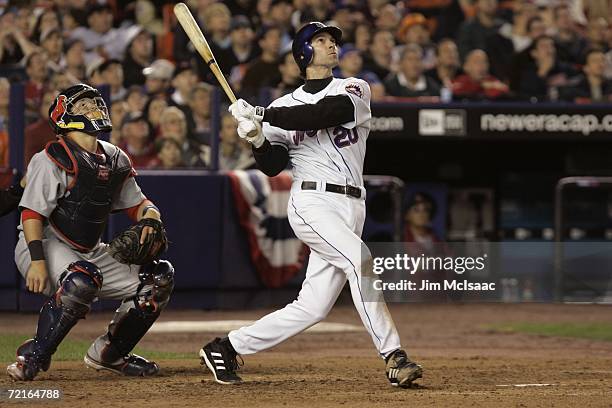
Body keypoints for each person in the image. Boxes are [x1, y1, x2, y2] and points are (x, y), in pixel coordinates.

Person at [200, 22, 423, 388]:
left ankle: (226, 346)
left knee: (313, 307)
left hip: (353, 204)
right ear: (304, 52)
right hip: (311, 200)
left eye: (333, 40)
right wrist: (257, 139)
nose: (331, 45)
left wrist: (261, 115)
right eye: (321, 41)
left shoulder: (353, 87)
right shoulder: (281, 106)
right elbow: (272, 166)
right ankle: (394, 356)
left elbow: (324, 114)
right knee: (360, 261)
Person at [6, 84, 174, 381]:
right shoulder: (51, 157)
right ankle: (34, 355)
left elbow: (139, 205)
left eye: (96, 103)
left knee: (157, 280)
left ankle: (110, 354)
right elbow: (31, 213)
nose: (96, 108)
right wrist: (37, 261)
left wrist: (152, 218)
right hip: (44, 242)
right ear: (65, 116)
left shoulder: (115, 157)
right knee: (81, 281)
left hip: (88, 250)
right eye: (85, 106)